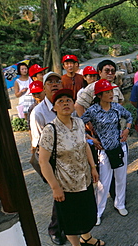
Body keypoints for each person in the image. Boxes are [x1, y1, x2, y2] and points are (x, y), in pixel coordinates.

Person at [38, 88, 104, 246]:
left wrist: (93, 167)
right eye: (60, 101)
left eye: (68, 100)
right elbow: (43, 162)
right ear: (54, 107)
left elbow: (85, 145)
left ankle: (87, 237)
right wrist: (55, 187)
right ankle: (76, 244)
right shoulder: (50, 130)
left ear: (74, 104)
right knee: (70, 220)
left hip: (84, 179)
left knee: (87, 213)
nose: (65, 103)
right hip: (66, 185)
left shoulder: (79, 123)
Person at [81, 79, 132, 225]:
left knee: (121, 178)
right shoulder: (92, 111)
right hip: (104, 150)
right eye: (107, 92)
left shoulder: (116, 107)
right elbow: (77, 126)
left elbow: (129, 116)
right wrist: (91, 140)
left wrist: (127, 130)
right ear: (99, 95)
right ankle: (98, 211)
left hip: (119, 146)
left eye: (111, 91)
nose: (111, 94)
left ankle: (120, 204)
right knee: (104, 182)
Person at [29, 71, 66, 245]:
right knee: (59, 192)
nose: (54, 84)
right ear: (44, 88)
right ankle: (55, 229)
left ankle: (69, 225)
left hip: (69, 156)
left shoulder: (66, 104)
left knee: (70, 192)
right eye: (49, 82)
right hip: (51, 158)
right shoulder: (38, 112)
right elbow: (37, 144)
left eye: (57, 81)